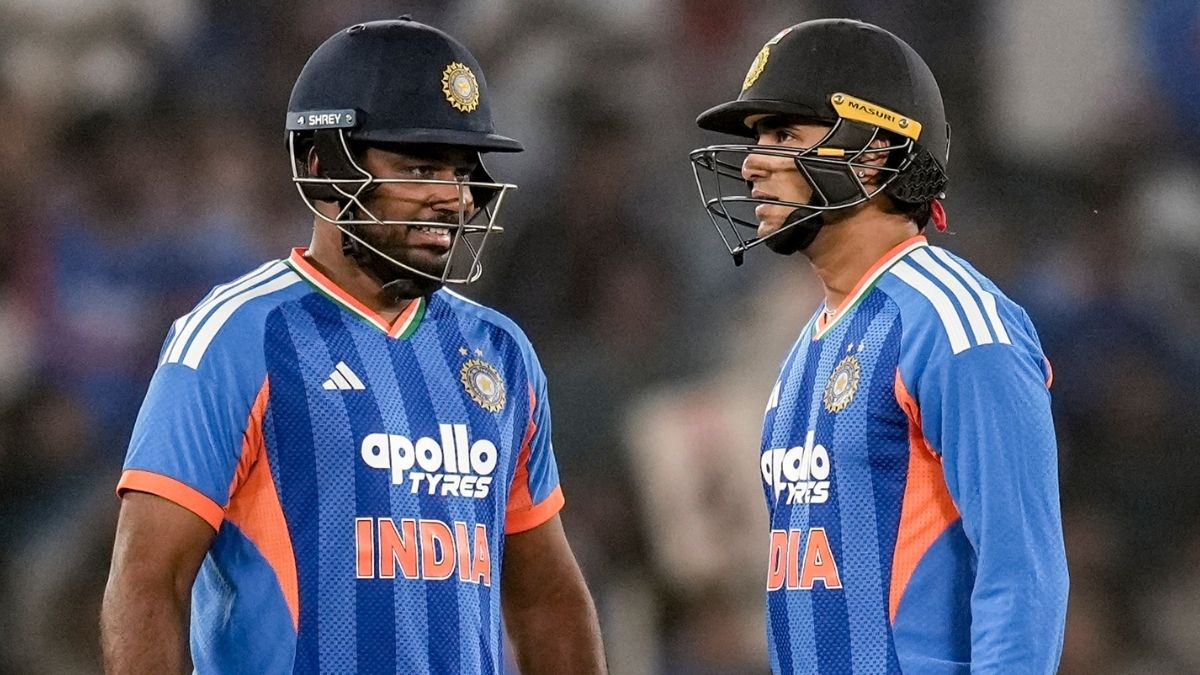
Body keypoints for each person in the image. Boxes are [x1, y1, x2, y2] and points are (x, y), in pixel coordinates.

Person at [100, 18, 606, 674]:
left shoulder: (500, 353)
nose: (451, 198)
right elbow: (148, 579)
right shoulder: (236, 337)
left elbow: (547, 601)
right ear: (323, 167)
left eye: (460, 173)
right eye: (420, 168)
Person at [689, 18, 1068, 674]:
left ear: (873, 156)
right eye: (757, 139)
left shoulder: (954, 322)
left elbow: (1023, 573)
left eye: (784, 135)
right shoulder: (808, 345)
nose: (752, 162)